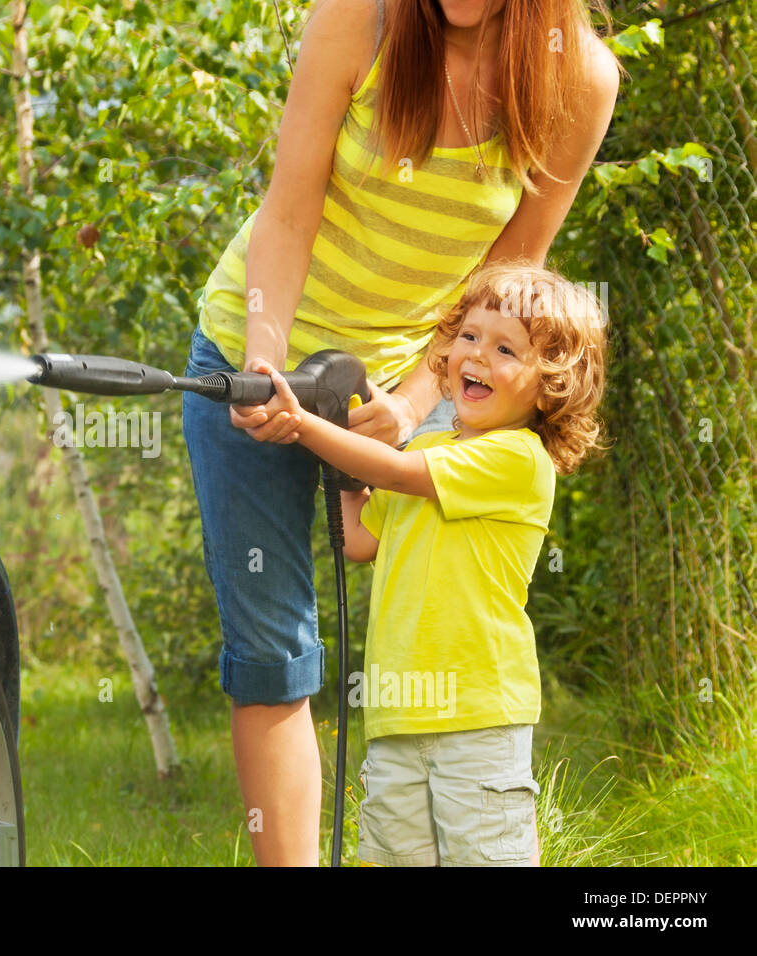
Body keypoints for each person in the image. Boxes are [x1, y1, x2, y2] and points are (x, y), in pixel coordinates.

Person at [182, 0, 621, 864]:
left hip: (428, 368)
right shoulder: (357, 20)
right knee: (273, 650)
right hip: (256, 342)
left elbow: (513, 269)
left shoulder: (581, 79)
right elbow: (288, 213)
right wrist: (266, 361)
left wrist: (419, 399)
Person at [242, 261, 607, 866]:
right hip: (396, 711)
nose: (477, 355)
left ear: (551, 386)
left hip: (477, 716)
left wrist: (305, 426)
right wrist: (339, 451)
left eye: (505, 348)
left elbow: (397, 470)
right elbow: (360, 538)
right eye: (469, 336)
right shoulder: (434, 446)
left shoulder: (518, 459)